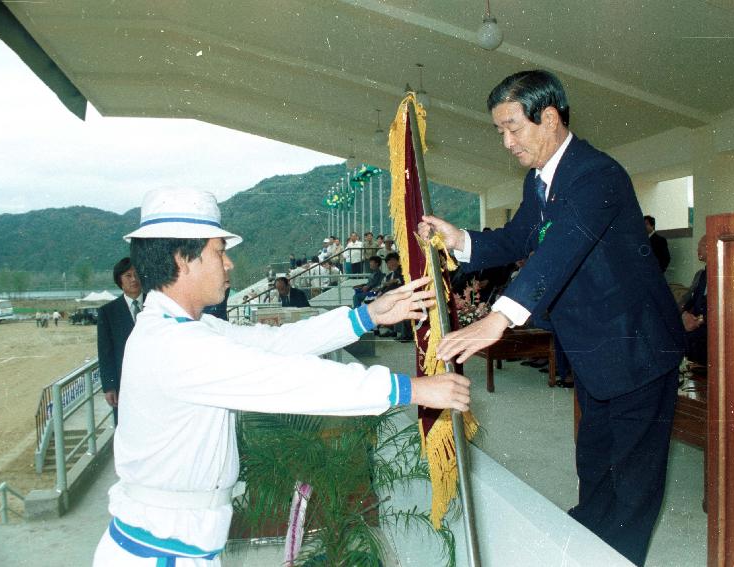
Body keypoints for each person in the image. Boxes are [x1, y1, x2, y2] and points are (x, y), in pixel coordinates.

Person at [92, 188, 470, 566]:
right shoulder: (175, 345)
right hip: (161, 552)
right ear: (182, 260)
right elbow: (288, 379)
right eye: (219, 251)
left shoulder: (185, 328)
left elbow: (274, 344)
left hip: (175, 544)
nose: (228, 265)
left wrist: (366, 316)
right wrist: (410, 389)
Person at [418, 70, 684, 566]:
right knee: (595, 464)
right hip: (595, 349)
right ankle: (586, 548)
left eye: (513, 128)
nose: (506, 142)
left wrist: (497, 319)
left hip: (638, 349)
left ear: (551, 118)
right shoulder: (539, 181)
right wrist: (459, 240)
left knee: (632, 484)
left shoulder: (596, 174)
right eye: (500, 131)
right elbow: (520, 238)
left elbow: (560, 250)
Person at [97, 257, 143, 425]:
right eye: (128, 276)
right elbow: (105, 352)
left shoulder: (157, 304)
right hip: (125, 383)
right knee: (127, 426)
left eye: (137, 275)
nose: (134, 279)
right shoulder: (108, 312)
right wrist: (109, 386)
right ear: (120, 282)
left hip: (155, 378)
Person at [680, 235, 708, 365]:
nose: (698, 250)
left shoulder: (722, 273)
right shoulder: (702, 274)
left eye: (701, 246)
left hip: (708, 324)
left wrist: (699, 320)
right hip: (695, 321)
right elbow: (693, 299)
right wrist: (683, 313)